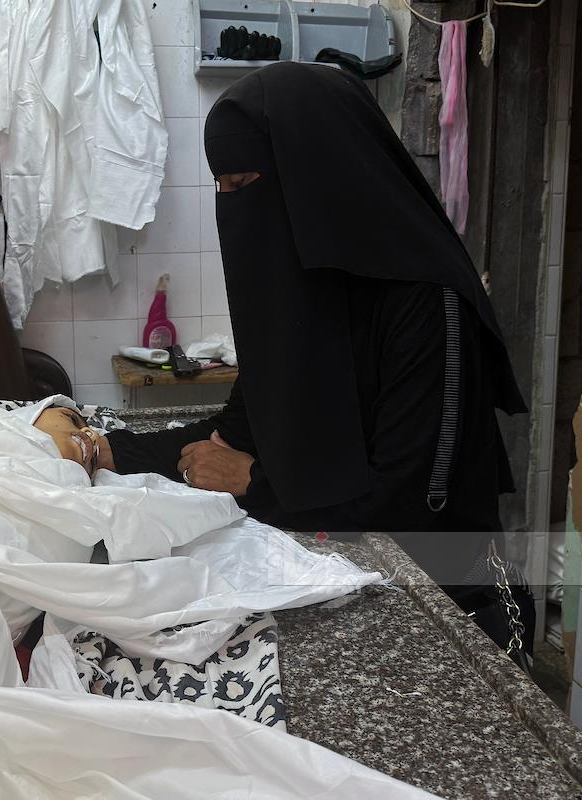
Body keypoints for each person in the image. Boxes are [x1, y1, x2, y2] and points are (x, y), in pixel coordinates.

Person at [99, 63, 531, 654]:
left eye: (245, 182)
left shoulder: (429, 304)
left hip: (444, 605)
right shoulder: (298, 298)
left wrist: (253, 481)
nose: (232, 205)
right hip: (343, 591)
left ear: (316, 177)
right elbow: (236, 433)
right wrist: (105, 449)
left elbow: (410, 505)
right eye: (222, 187)